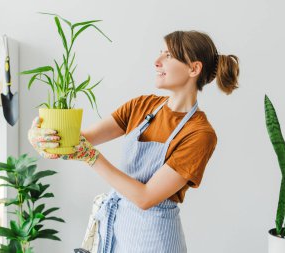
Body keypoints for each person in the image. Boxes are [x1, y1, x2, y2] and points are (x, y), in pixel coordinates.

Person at [28, 30, 239, 253]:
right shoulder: (142, 105)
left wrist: (91, 157)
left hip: (155, 240)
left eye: (168, 56)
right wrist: (41, 136)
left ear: (193, 69)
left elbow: (146, 197)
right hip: (117, 231)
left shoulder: (199, 133)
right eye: (160, 53)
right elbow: (80, 141)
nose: (157, 62)